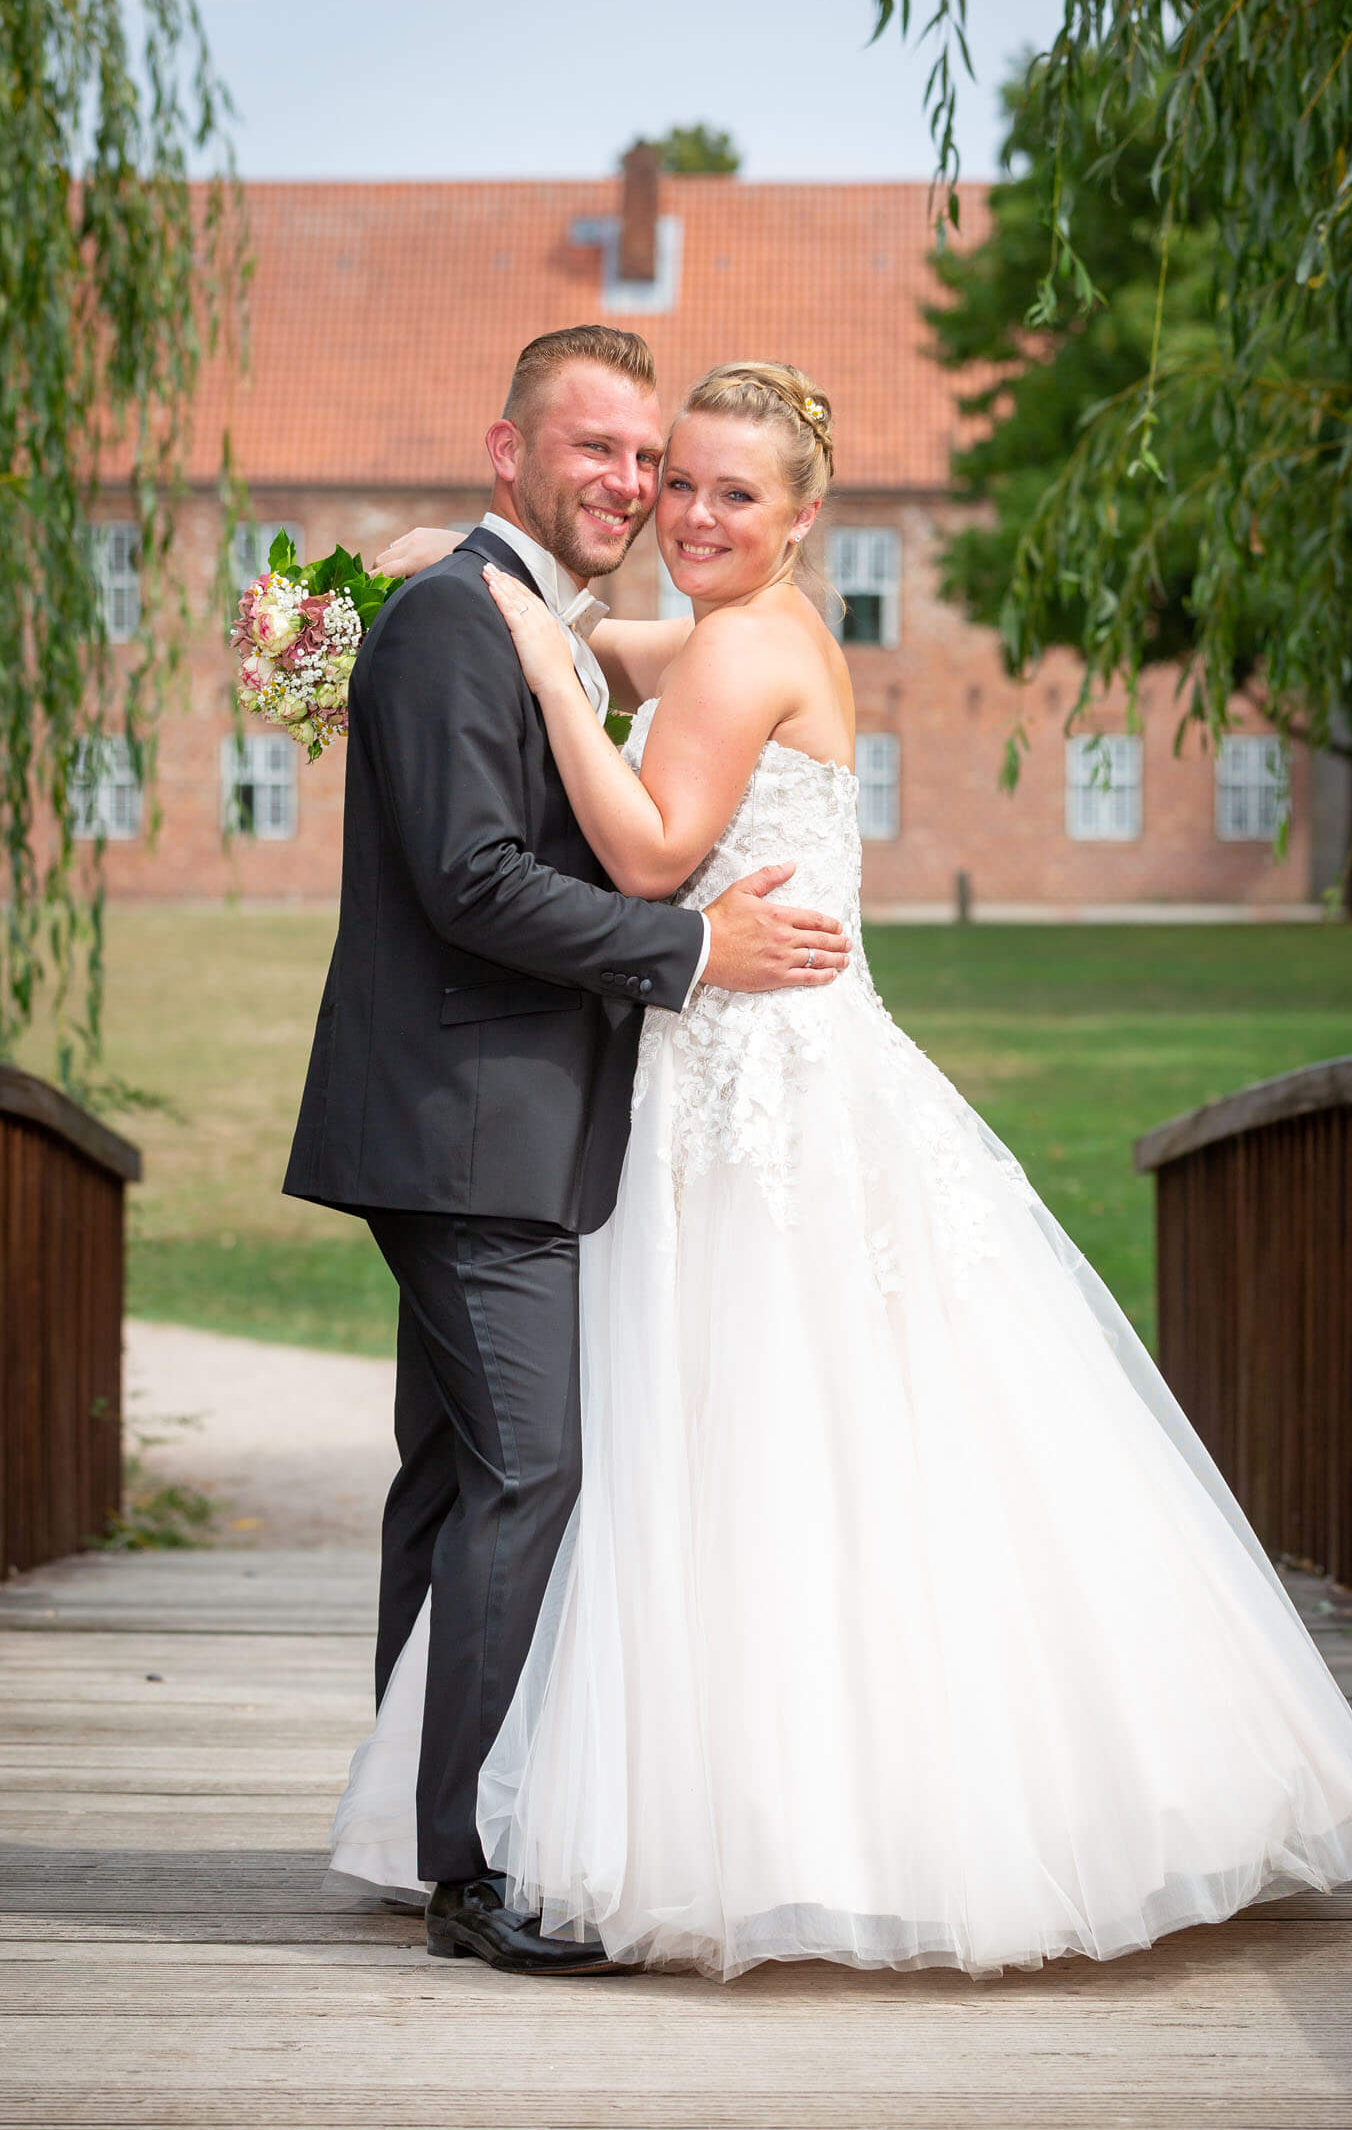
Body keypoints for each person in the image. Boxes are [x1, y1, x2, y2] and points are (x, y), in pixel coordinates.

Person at [332, 360, 1352, 1982]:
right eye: (674, 480)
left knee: (726, 1445)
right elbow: (612, 639)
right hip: (746, 1071)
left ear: (803, 517)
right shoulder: (741, 630)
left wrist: (547, 676)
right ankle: (491, 1825)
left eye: (730, 492)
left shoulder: (742, 644)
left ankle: (651, 1824)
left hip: (749, 1079)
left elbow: (645, 849)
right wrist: (468, 569)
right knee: (742, 1441)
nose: (688, 511)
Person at [286, 327, 851, 1978]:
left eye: (648, 460)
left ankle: (417, 1834)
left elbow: (599, 687)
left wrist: (424, 575)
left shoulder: (513, 606)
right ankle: (469, 1872)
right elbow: (472, 879)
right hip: (469, 1127)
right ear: (509, 451)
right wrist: (690, 951)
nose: (633, 486)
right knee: (532, 1472)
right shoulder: (456, 623)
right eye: (600, 451)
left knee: (456, 1477)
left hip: (508, 1124)